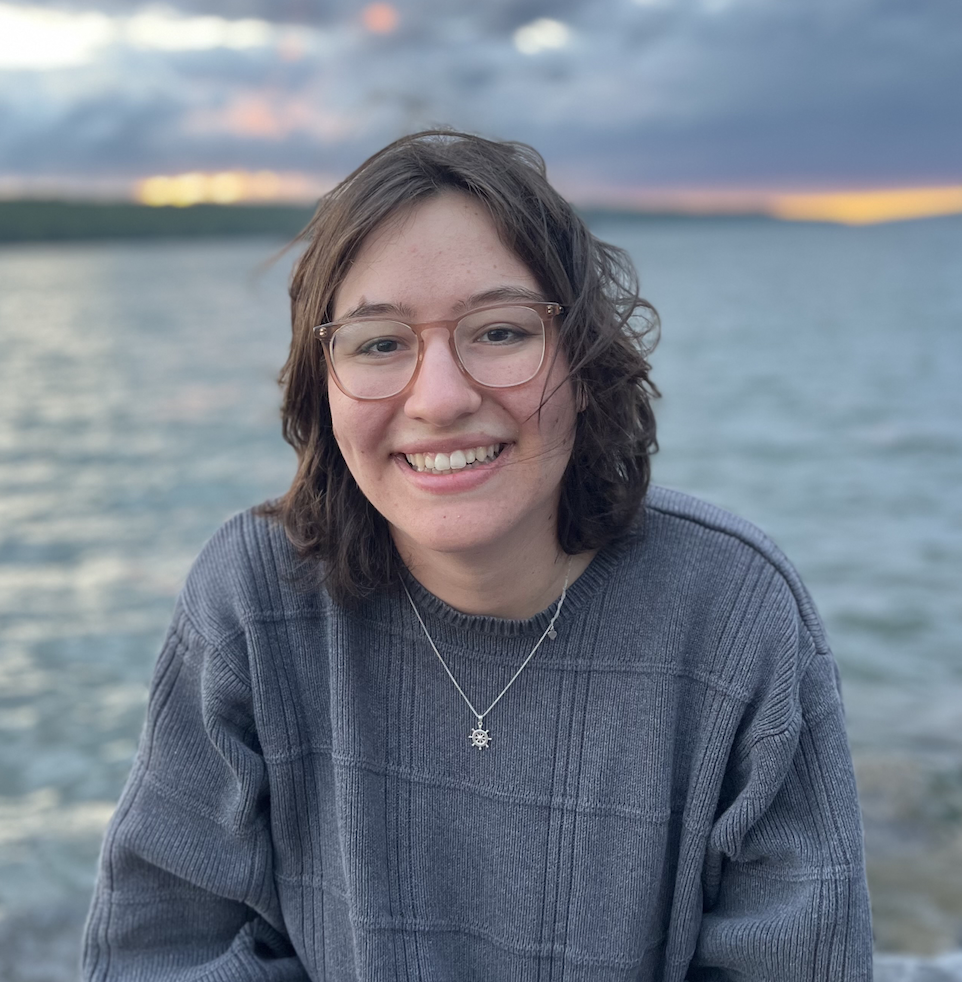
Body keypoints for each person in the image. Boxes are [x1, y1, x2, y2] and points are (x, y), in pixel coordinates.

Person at [82, 130, 872, 981]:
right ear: (325, 383)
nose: (443, 398)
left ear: (582, 357)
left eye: (499, 331)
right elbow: (159, 950)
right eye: (380, 343)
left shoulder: (732, 612)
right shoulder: (256, 595)